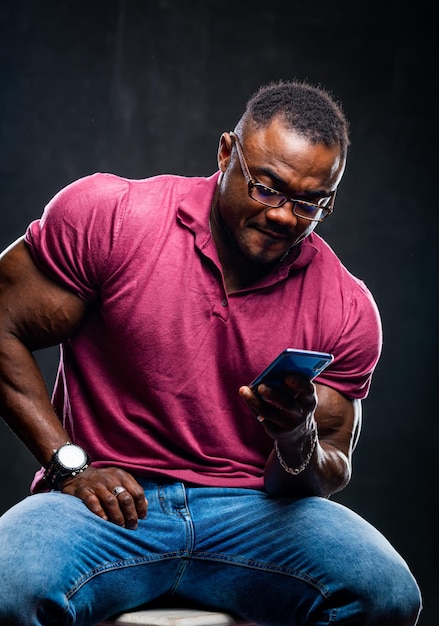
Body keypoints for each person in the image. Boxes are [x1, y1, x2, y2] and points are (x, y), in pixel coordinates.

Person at [0, 79, 421, 626]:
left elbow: (330, 466)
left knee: (387, 594)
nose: (283, 217)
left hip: (256, 515)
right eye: (266, 188)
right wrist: (68, 464)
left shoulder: (345, 304)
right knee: (7, 586)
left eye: (309, 203)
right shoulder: (113, 216)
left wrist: (296, 435)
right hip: (108, 505)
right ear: (226, 154)